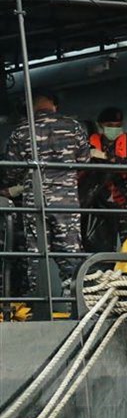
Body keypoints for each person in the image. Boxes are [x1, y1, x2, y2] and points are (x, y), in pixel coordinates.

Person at [5, 89, 90, 294]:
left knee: (36, 253)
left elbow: (12, 169)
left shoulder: (21, 130)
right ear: (53, 103)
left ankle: (39, 302)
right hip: (66, 200)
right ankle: (77, 299)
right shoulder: (74, 126)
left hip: (35, 199)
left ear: (32, 105)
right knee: (70, 251)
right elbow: (85, 161)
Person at [79, 107, 127, 250]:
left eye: (117, 126)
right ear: (100, 126)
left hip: (126, 202)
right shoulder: (89, 146)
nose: (114, 129)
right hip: (100, 205)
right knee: (101, 248)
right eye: (110, 126)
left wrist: (106, 157)